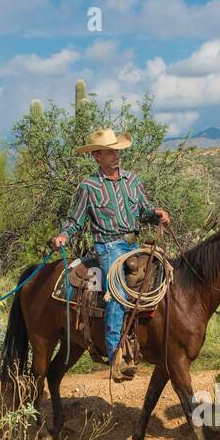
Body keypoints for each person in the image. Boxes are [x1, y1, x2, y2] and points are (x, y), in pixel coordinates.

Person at [51, 127, 170, 379]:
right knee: (116, 292)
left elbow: (144, 211)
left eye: (117, 151)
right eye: (109, 152)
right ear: (97, 156)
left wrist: (157, 213)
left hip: (133, 244)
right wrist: (64, 235)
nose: (116, 156)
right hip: (108, 246)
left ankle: (159, 340)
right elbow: (75, 219)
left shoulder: (133, 181)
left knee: (165, 273)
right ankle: (116, 355)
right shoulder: (89, 187)